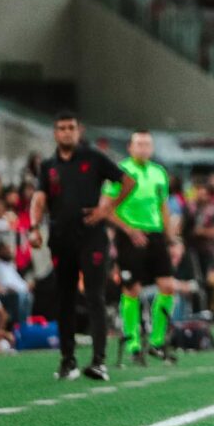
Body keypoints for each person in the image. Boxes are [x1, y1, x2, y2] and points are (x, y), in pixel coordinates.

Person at [30, 111, 135, 382]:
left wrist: (106, 208)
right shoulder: (48, 166)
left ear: (79, 131)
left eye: (71, 128)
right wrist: (33, 227)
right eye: (61, 128)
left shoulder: (93, 158)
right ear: (55, 132)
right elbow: (39, 198)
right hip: (60, 238)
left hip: (91, 238)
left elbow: (128, 182)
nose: (66, 132)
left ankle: (99, 361)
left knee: (94, 295)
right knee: (64, 299)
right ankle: (68, 360)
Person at [102, 130, 177, 366]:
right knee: (131, 289)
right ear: (130, 147)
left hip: (154, 234)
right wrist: (129, 230)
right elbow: (106, 209)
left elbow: (163, 206)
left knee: (167, 286)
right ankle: (133, 341)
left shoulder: (159, 173)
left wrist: (170, 237)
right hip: (129, 235)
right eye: (139, 144)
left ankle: (156, 341)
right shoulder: (120, 172)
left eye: (147, 144)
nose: (143, 148)